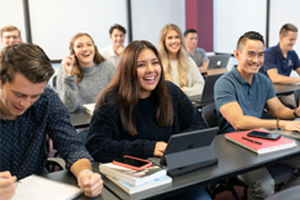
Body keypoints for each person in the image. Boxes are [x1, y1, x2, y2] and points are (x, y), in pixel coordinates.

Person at [86, 40, 211, 200]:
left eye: (155, 63)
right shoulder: (110, 100)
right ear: (128, 69)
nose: (151, 70)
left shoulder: (171, 91)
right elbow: (96, 146)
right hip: (137, 184)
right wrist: (147, 148)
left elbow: (199, 125)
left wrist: (175, 145)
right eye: (141, 65)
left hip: (175, 176)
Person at [0, 43, 103, 199]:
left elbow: (71, 146)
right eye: (19, 94)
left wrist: (85, 173)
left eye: (34, 96)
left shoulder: (47, 99)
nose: (26, 104)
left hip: (38, 191)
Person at [214, 31, 300, 200]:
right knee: (264, 186)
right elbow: (238, 122)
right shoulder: (224, 83)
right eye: (251, 54)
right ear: (237, 54)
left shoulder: (263, 81)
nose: (256, 60)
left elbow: (279, 111)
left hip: (261, 139)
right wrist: (281, 124)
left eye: (260, 55)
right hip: (233, 147)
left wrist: (296, 112)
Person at [57, 33, 116, 113]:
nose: (85, 49)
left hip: (105, 119)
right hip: (80, 124)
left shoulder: (108, 68)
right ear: (73, 51)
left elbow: (118, 99)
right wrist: (68, 76)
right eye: (79, 46)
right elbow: (69, 108)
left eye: (89, 44)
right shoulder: (63, 73)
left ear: (94, 48)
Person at [260, 23, 300, 107]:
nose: (293, 43)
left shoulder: (292, 54)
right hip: (269, 95)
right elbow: (275, 78)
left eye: (295, 39)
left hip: (285, 92)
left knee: (293, 107)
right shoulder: (269, 53)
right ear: (281, 37)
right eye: (291, 39)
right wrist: (298, 80)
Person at [158, 24, 205, 97]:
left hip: (187, 103)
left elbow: (201, 85)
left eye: (177, 37)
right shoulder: (157, 63)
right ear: (163, 41)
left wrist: (186, 91)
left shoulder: (188, 61)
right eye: (170, 38)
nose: (174, 41)